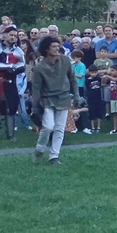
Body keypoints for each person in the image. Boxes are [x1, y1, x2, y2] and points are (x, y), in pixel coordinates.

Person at [31, 36, 77, 164]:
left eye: (58, 46)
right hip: (47, 100)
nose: (58, 48)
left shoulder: (65, 61)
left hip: (63, 98)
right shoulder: (39, 68)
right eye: (54, 46)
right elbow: (36, 89)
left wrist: (77, 96)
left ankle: (54, 156)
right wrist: (35, 106)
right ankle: (39, 149)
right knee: (48, 126)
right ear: (46, 49)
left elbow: (72, 79)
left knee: (60, 129)